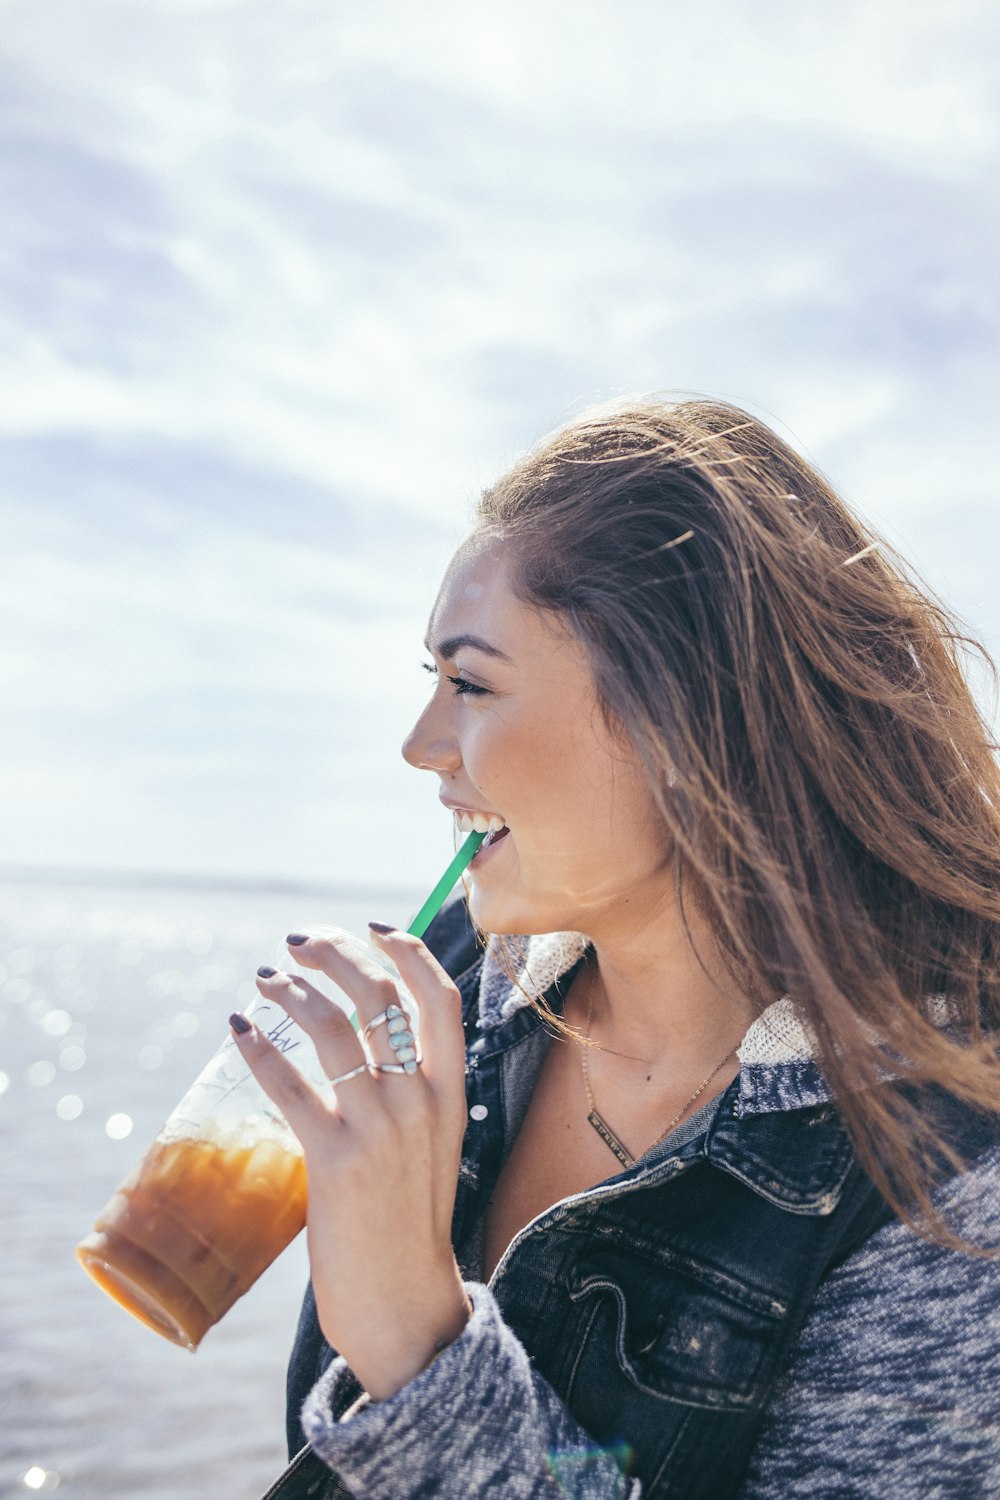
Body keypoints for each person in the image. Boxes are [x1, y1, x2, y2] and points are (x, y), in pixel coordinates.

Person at [231, 399, 1000, 1500]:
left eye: (471, 683)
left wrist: (416, 1332)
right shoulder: (459, 980)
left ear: (687, 721)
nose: (419, 747)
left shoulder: (947, 1177)